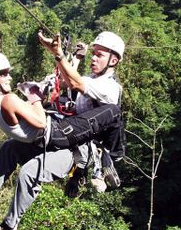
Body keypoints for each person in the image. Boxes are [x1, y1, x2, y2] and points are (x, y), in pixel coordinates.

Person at [0, 48, 126, 230]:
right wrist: (38, 94)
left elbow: (74, 85)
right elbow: (54, 105)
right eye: (5, 74)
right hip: (58, 139)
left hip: (71, 146)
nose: (10, 76)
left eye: (99, 55)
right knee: (10, 148)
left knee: (27, 169)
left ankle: (6, 224)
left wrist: (67, 60)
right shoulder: (6, 100)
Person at [38, 30, 125, 195]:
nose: (93, 58)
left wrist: (59, 54)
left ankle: (102, 165)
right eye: (93, 54)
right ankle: (79, 172)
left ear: (113, 60)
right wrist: (76, 59)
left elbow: (74, 82)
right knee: (54, 104)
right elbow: (65, 81)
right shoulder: (92, 80)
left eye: (99, 55)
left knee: (113, 111)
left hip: (91, 140)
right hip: (79, 132)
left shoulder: (109, 87)